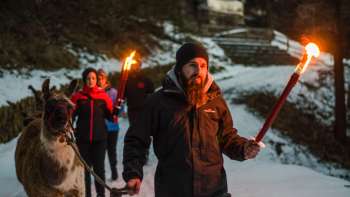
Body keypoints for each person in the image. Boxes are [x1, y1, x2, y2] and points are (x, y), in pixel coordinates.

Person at [122, 43, 264, 197]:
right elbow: (136, 139)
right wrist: (133, 173)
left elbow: (226, 138)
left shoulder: (216, 102)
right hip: (173, 190)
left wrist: (243, 149)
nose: (199, 71)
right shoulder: (158, 102)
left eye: (203, 66)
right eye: (192, 65)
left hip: (214, 190)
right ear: (180, 68)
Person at [71, 68, 113, 197]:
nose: (91, 81)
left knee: (99, 170)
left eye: (93, 78)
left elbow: (111, 116)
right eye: (88, 78)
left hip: (100, 139)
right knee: (84, 171)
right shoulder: (78, 97)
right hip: (82, 140)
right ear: (84, 80)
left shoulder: (103, 96)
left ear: (97, 80)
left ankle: (101, 195)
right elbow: (70, 116)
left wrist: (115, 110)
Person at [97, 68, 120, 181]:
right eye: (98, 78)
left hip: (112, 127)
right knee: (100, 153)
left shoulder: (113, 92)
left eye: (101, 78)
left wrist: (118, 108)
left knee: (111, 150)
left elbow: (119, 111)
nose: (99, 80)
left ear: (105, 79)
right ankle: (101, 176)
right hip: (100, 128)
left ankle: (114, 171)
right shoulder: (95, 93)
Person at [124, 53, 155, 127]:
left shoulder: (145, 80)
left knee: (144, 130)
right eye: (134, 65)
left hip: (144, 110)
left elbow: (152, 93)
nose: (136, 67)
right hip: (132, 110)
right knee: (134, 129)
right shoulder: (126, 80)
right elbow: (122, 96)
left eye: (138, 65)